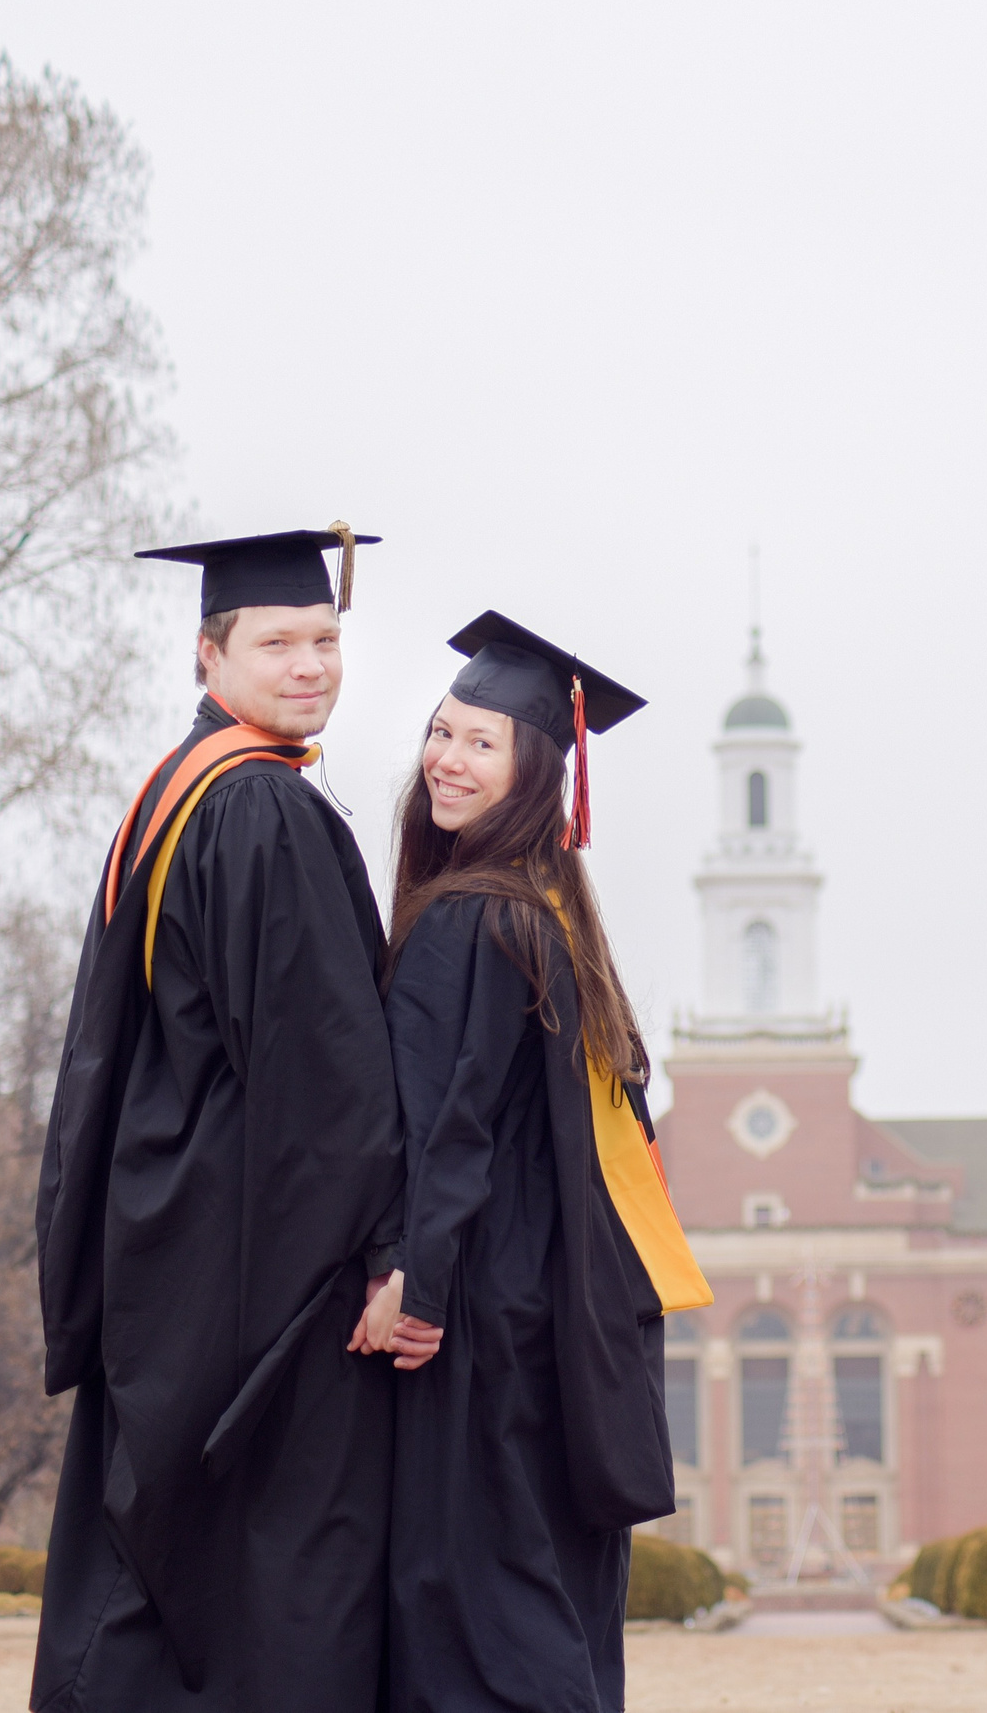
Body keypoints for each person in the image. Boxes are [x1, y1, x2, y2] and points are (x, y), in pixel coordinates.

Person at [33, 526, 405, 1713]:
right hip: (257, 1263)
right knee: (271, 1577)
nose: (312, 665)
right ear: (210, 655)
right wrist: (389, 1251)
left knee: (155, 1557)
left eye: (327, 640)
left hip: (168, 1236)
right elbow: (325, 1079)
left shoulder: (175, 790)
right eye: (280, 642)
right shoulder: (261, 811)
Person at [355, 610, 712, 1713]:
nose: (447, 760)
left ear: (531, 775)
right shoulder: (555, 921)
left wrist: (412, 1273)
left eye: (480, 743)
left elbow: (444, 1126)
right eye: (441, 732)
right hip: (555, 1330)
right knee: (544, 1607)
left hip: (478, 1333)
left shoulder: (470, 920)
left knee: (472, 1615)